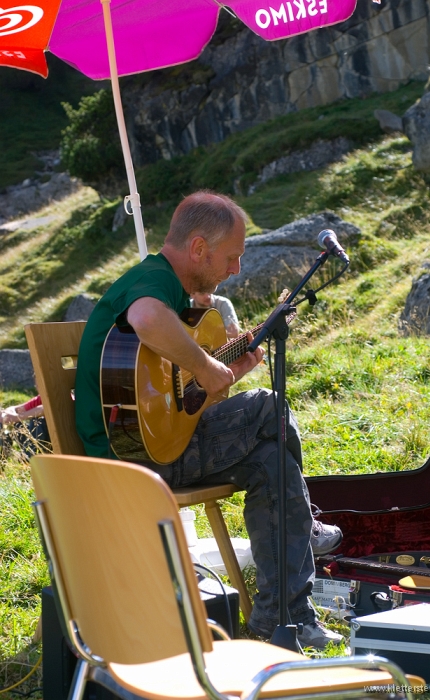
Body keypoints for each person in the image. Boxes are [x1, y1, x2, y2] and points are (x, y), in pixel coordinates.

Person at [75, 191, 343, 649]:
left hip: (155, 443)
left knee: (272, 460)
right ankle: (305, 531)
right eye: (232, 257)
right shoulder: (155, 280)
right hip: (132, 459)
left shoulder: (177, 294)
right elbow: (144, 318)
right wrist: (204, 367)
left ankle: (283, 618)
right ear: (198, 248)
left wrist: (220, 375)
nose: (236, 269)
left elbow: (170, 395)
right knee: (268, 407)